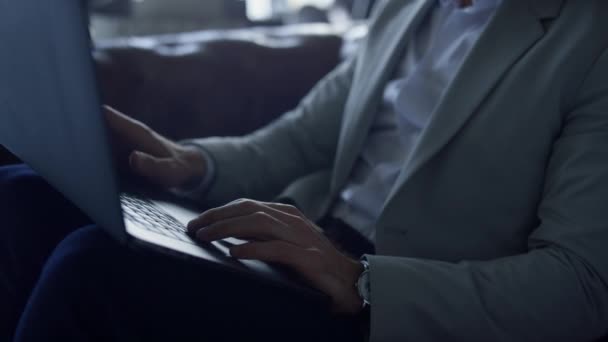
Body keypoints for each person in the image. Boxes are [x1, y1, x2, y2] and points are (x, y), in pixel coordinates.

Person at [2, 0, 608, 340]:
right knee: (25, 195)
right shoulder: (409, 9)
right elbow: (300, 138)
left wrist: (359, 279)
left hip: (387, 299)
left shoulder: (591, 38)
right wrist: (190, 165)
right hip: (305, 244)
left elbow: (583, 288)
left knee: (94, 266)